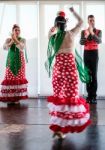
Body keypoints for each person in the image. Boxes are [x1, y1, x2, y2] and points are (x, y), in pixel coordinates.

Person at [45, 8, 91, 139]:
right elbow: (82, 22)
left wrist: (54, 26)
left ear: (56, 24)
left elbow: (50, 32)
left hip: (58, 71)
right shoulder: (71, 34)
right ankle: (62, 129)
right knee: (69, 98)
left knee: (60, 98)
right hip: (69, 71)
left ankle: (60, 129)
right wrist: (73, 11)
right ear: (65, 24)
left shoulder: (52, 37)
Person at [0, 24, 28, 104]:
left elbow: (22, 47)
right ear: (12, 31)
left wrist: (16, 40)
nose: (17, 31)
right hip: (10, 61)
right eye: (15, 30)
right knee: (10, 78)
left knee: (18, 78)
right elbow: (5, 48)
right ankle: (10, 98)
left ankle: (17, 98)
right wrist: (12, 41)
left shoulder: (23, 39)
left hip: (20, 61)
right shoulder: (8, 39)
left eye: (18, 30)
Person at [80, 15, 102, 104]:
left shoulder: (99, 31)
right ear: (88, 21)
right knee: (87, 75)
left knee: (94, 75)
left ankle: (94, 96)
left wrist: (92, 33)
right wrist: (88, 34)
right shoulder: (83, 31)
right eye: (90, 20)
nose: (92, 22)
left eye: (93, 20)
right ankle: (89, 96)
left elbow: (99, 41)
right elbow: (81, 42)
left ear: (94, 21)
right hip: (86, 54)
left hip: (94, 54)